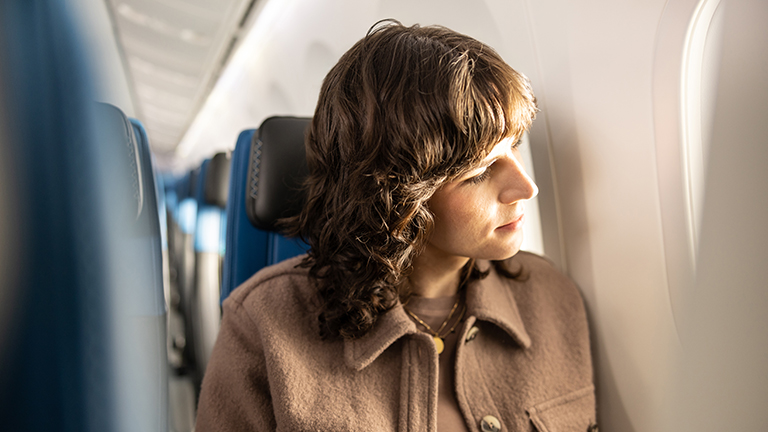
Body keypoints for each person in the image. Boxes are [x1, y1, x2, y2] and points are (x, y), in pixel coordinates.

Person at [196, 20, 596, 431]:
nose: (526, 187)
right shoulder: (262, 324)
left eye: (514, 147)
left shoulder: (552, 298)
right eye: (479, 172)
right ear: (397, 197)